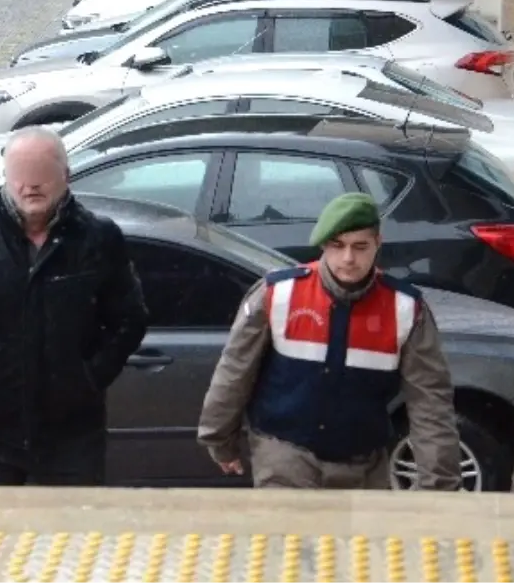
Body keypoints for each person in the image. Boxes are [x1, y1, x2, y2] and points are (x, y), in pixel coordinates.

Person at [0, 126, 150, 485]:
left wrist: (88, 378)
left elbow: (130, 319)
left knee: (70, 538)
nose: (31, 187)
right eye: (20, 177)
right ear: (6, 178)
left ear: (66, 175)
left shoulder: (98, 238)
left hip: (72, 435)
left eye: (42, 176)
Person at [197, 192, 462, 491]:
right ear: (323, 245)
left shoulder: (406, 308)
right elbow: (235, 370)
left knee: (360, 540)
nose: (348, 258)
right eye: (337, 246)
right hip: (284, 452)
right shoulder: (278, 292)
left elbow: (431, 401)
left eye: (360, 247)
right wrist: (219, 438)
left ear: (378, 243)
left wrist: (439, 486)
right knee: (292, 538)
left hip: (363, 463)